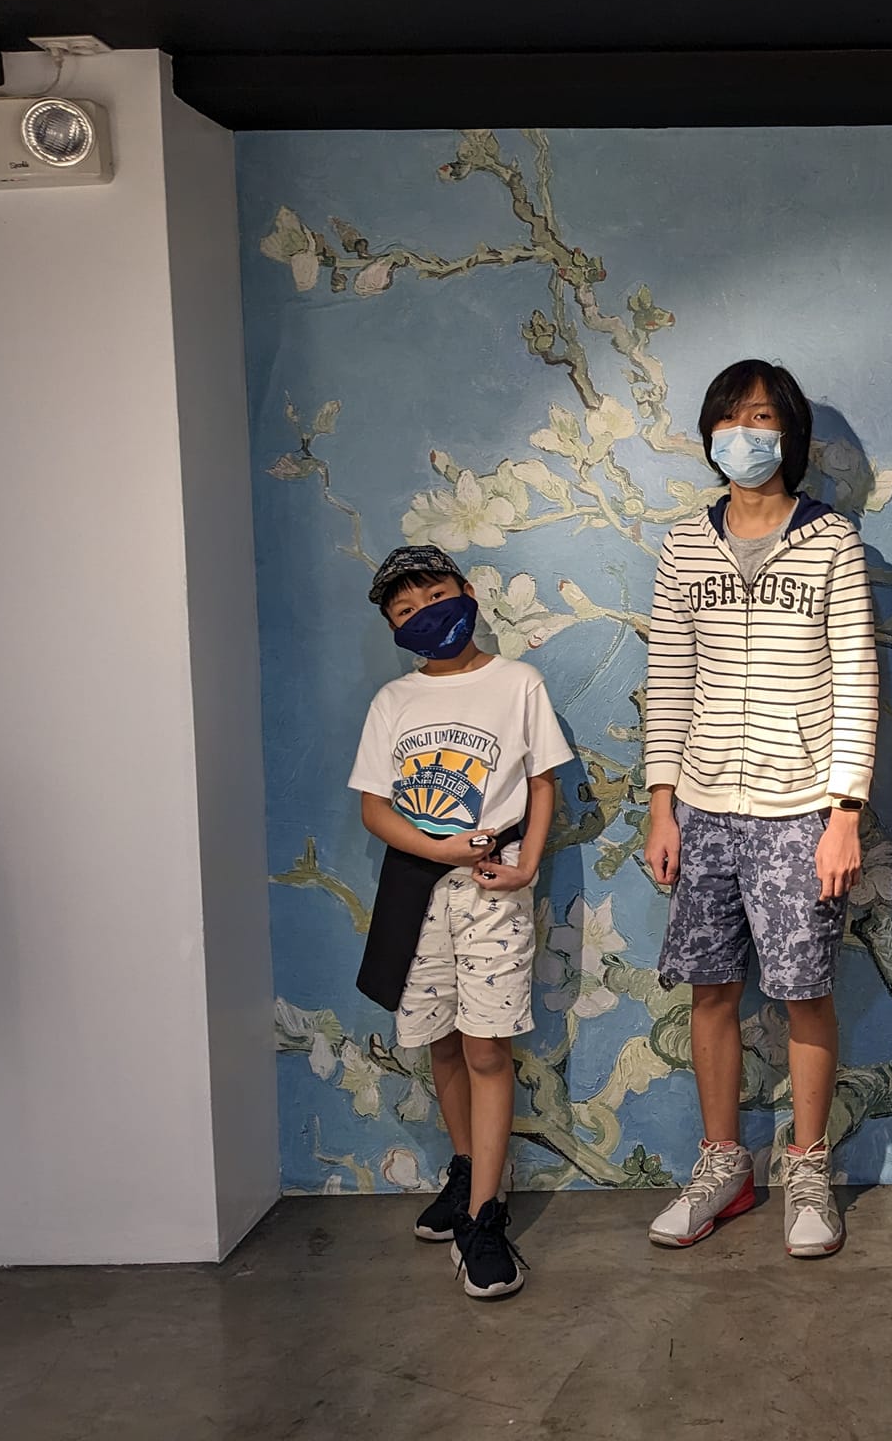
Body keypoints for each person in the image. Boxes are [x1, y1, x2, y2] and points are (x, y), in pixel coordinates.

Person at [642, 358, 880, 1258]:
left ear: (790, 436)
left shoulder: (831, 541)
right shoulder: (683, 546)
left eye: (764, 418)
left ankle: (808, 1168)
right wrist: (661, 806)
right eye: (732, 417)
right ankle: (722, 1165)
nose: (746, 433)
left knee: (805, 990)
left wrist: (844, 813)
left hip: (801, 807)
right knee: (712, 989)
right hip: (702, 806)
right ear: (710, 433)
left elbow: (857, 678)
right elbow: (669, 680)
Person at [348, 544, 571, 1299]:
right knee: (440, 1039)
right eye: (405, 611)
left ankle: (484, 1218)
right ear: (392, 629)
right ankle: (469, 1169)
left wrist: (527, 864)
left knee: (485, 1045)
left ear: (467, 592)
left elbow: (543, 783)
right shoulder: (394, 701)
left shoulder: (517, 683)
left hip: (490, 886)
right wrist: (436, 848)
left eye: (435, 597)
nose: (425, 615)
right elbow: (374, 806)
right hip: (415, 887)